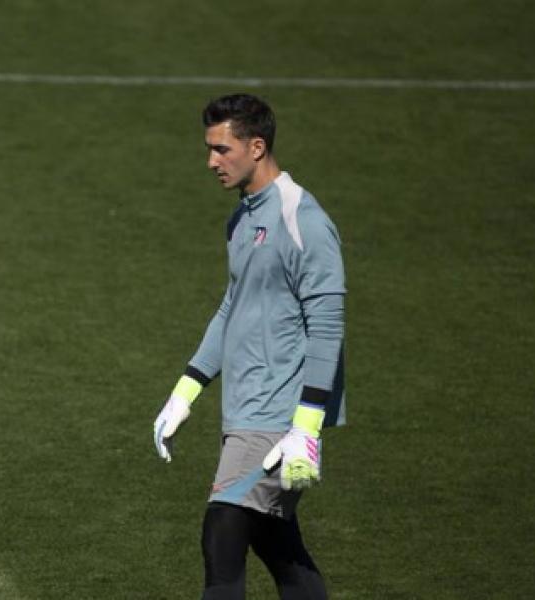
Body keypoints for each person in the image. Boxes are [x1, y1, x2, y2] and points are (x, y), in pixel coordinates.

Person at [152, 93, 345, 599]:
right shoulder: (242, 217)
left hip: (278, 416)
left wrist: (306, 426)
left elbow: (327, 327)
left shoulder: (302, 220)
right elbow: (232, 308)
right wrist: (186, 390)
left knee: (223, 532)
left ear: (256, 146)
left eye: (221, 149)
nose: (211, 161)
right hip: (243, 409)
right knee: (277, 543)